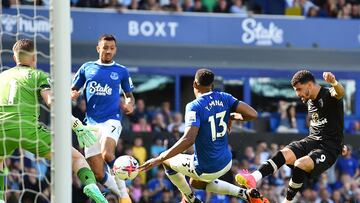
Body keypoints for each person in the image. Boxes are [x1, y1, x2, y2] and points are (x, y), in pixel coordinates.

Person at [0, 39, 107, 203]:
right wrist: (76, 125)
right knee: (76, 158)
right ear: (34, 57)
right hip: (28, 130)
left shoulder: (2, 76)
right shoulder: (37, 75)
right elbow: (51, 102)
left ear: (15, 59)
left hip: (2, 130)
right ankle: (91, 186)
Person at [139, 68, 268, 203]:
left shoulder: (194, 106)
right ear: (212, 85)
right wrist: (231, 116)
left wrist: (159, 158)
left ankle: (190, 199)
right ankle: (244, 193)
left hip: (207, 167)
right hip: (226, 162)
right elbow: (253, 114)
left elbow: (188, 139)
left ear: (195, 84)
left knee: (166, 161)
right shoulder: (225, 97)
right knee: (196, 183)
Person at [235, 70, 345, 203]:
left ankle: (287, 201)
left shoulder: (328, 94)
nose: (297, 94)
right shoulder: (310, 100)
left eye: (299, 89)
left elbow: (339, 92)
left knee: (300, 164)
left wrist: (333, 82)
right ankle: (253, 178)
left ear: (309, 85)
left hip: (328, 148)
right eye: (296, 90)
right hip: (312, 140)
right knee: (284, 154)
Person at [71, 34, 135, 203]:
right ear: (98, 48)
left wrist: (129, 104)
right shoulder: (87, 68)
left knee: (107, 154)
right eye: (105, 47)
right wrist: (73, 94)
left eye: (111, 48)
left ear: (115, 50)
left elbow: (129, 95)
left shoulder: (121, 71)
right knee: (98, 173)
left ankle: (123, 194)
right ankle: (123, 194)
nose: (108, 51)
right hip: (90, 124)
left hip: (111, 120)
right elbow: (73, 88)